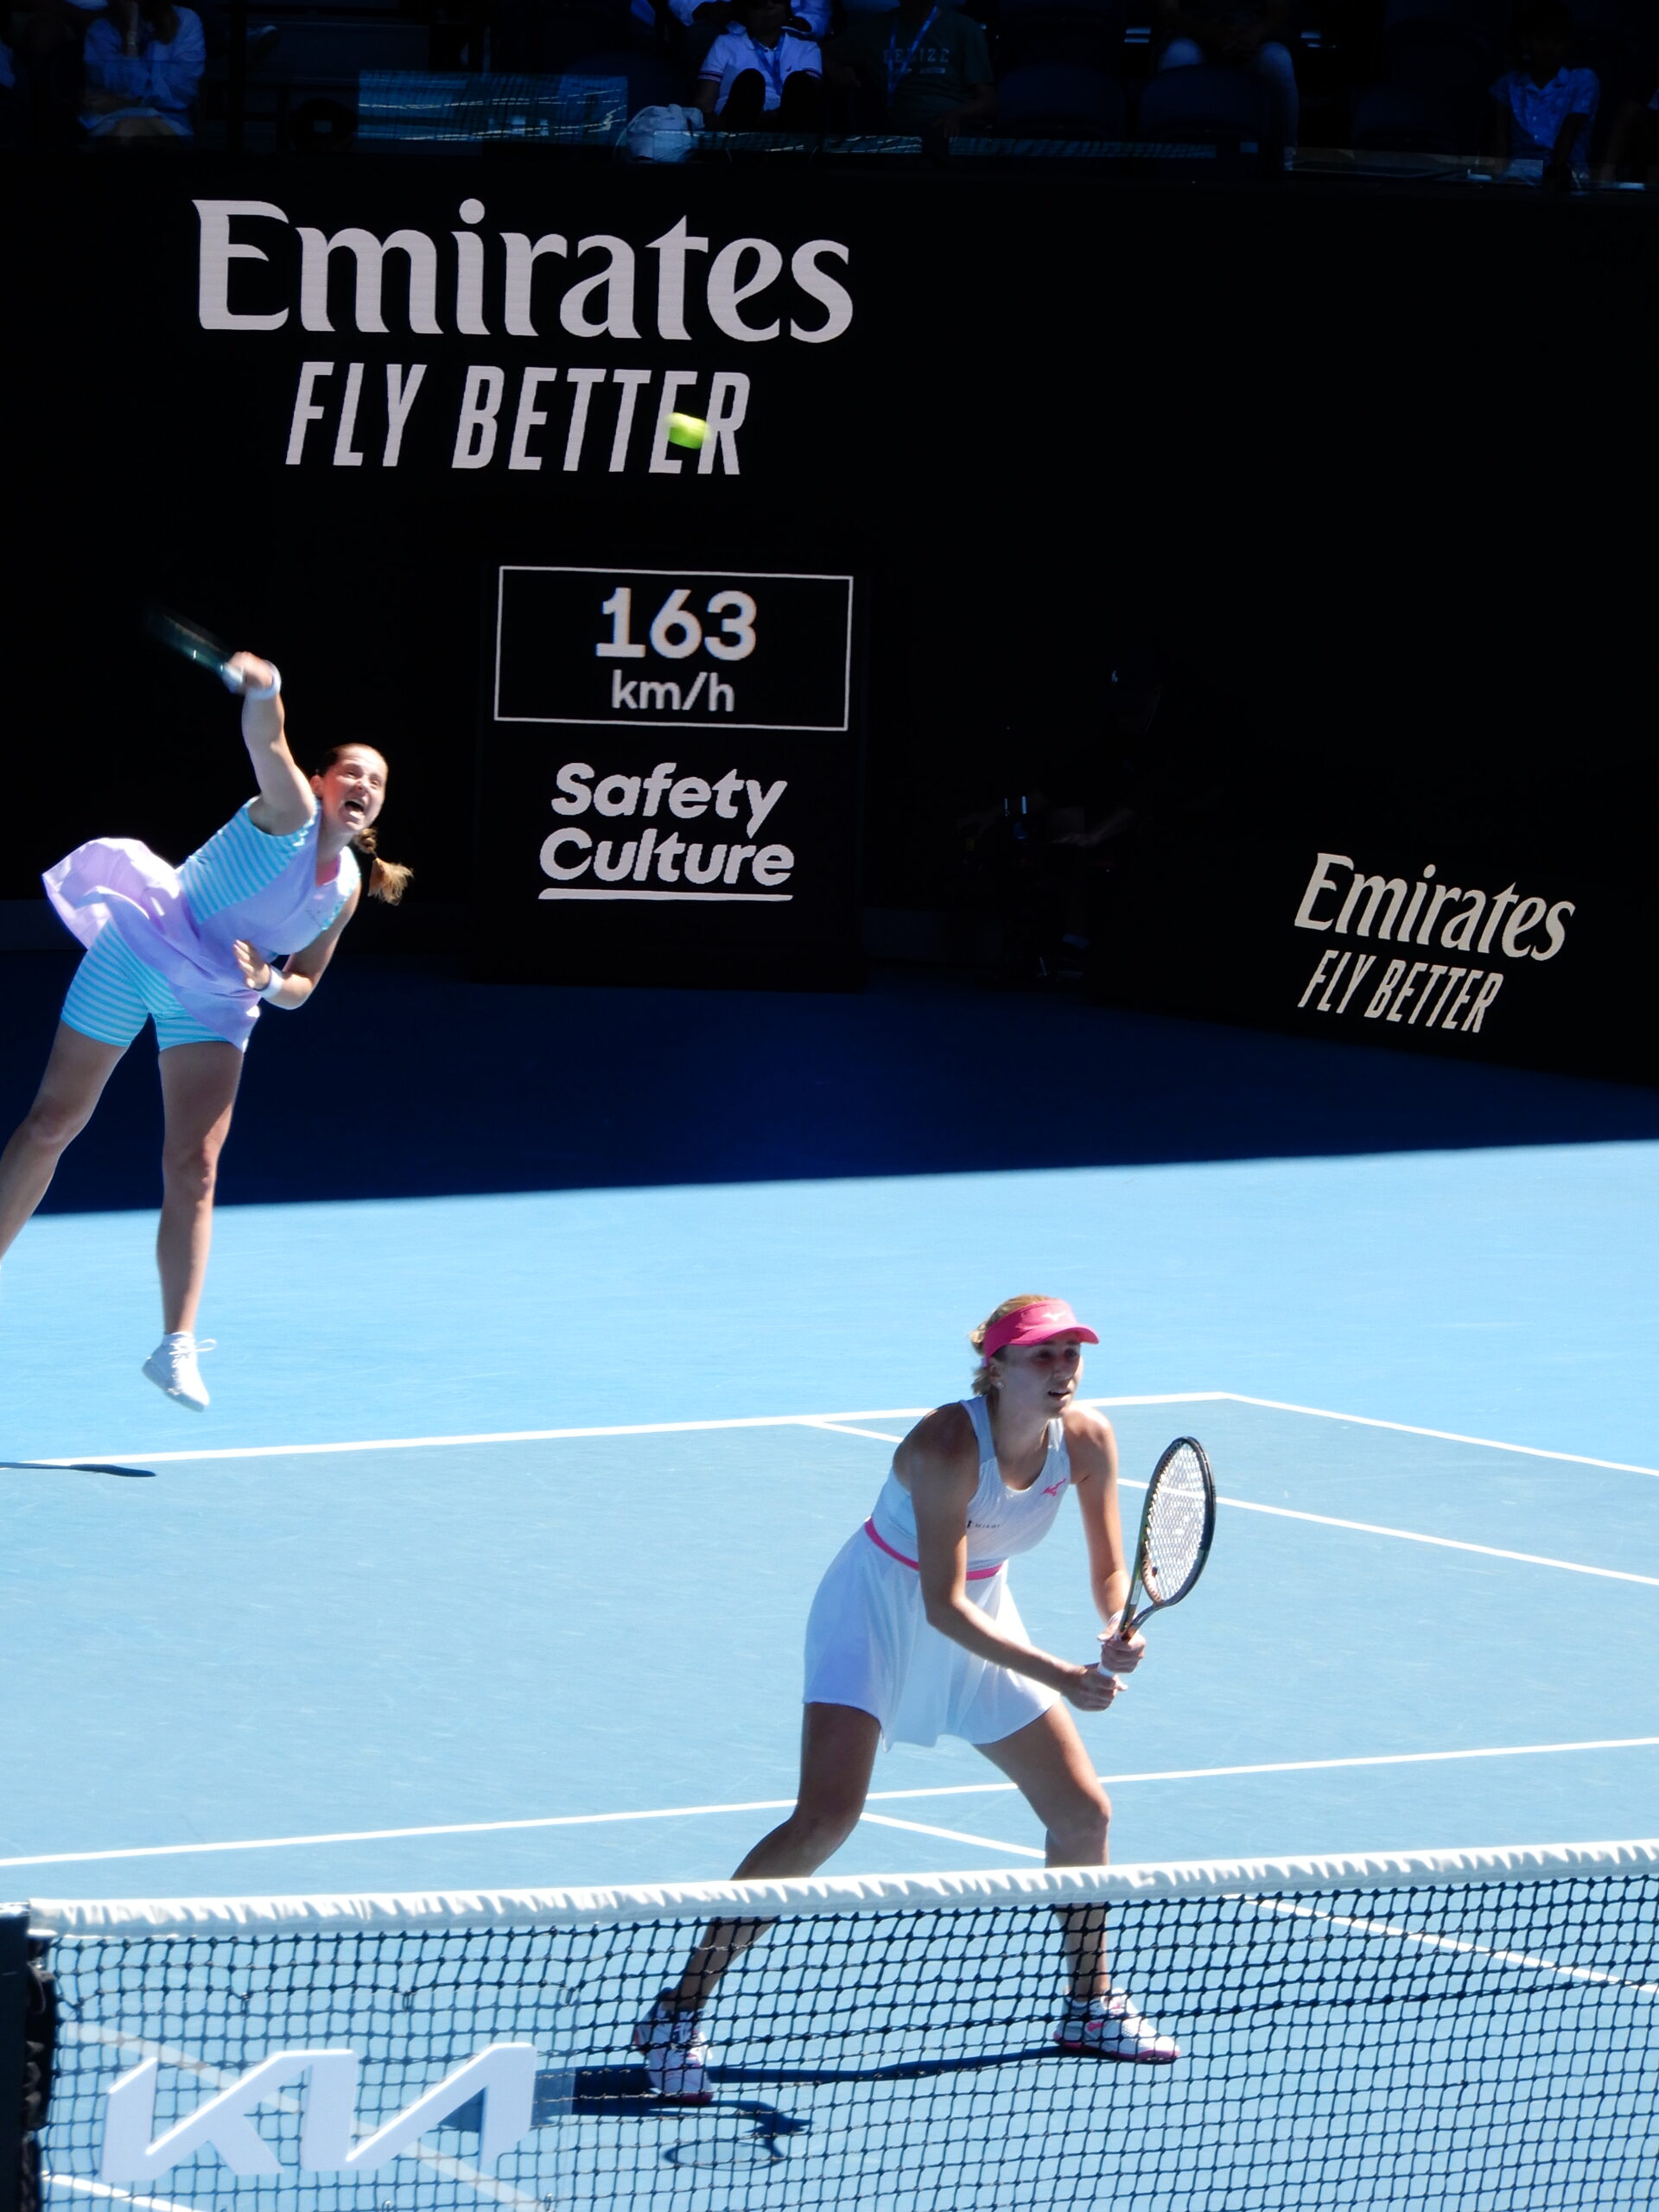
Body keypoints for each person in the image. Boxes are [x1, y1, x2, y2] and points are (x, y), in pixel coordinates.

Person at [632, 1294, 1179, 2102]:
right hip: (877, 1615)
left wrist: (1114, 1625)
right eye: (1042, 1355)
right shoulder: (947, 1443)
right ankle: (678, 2012)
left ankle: (1089, 2003)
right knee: (824, 1820)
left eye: (1071, 1353)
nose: (1062, 1369)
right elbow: (939, 1607)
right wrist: (1064, 1675)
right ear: (994, 1367)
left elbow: (1109, 1570)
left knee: (1082, 1814)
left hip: (984, 1617)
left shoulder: (1089, 1439)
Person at [0, 653, 410, 1410]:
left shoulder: (346, 891)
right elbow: (269, 740)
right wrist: (267, 689)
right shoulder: (285, 814)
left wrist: (264, 981)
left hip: (217, 1000)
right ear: (321, 783)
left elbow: (302, 989)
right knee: (54, 1121)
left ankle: (174, 1347)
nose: (363, 787)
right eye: (352, 773)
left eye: (377, 782)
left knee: (194, 1166)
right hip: (144, 950)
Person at [830, 0, 994, 147]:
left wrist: (956, 116)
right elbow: (821, 52)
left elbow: (988, 100)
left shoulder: (963, 28)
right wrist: (838, 69)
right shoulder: (875, 28)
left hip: (948, 127)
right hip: (896, 128)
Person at [1153, 0, 1298, 149]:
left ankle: (1287, 156)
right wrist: (1210, 33)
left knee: (1277, 60)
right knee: (1178, 56)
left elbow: (1279, 8)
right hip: (1193, 36)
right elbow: (1169, 10)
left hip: (1254, 40)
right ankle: (1164, 154)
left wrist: (1256, 33)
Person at [1487, 0, 1598, 188]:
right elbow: (1499, 145)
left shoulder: (1581, 80)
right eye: (1541, 38)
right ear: (1526, 41)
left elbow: (1570, 132)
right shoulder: (1507, 85)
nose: (1549, 47)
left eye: (1557, 39)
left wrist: (1555, 172)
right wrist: (1497, 180)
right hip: (1518, 177)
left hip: (1569, 176)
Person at [79, 0, 204, 139]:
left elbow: (179, 93)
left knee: (128, 132)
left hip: (169, 118)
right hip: (110, 118)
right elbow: (123, 86)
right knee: (122, 132)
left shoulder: (186, 21)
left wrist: (128, 102)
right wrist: (131, 34)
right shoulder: (101, 29)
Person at [696, 0, 823, 125]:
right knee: (750, 81)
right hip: (737, 122)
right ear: (745, 11)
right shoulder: (725, 43)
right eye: (759, 2)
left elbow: (810, 97)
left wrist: (773, 117)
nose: (769, 5)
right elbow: (705, 102)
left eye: (777, 0)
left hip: (788, 120)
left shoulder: (807, 48)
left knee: (800, 82)